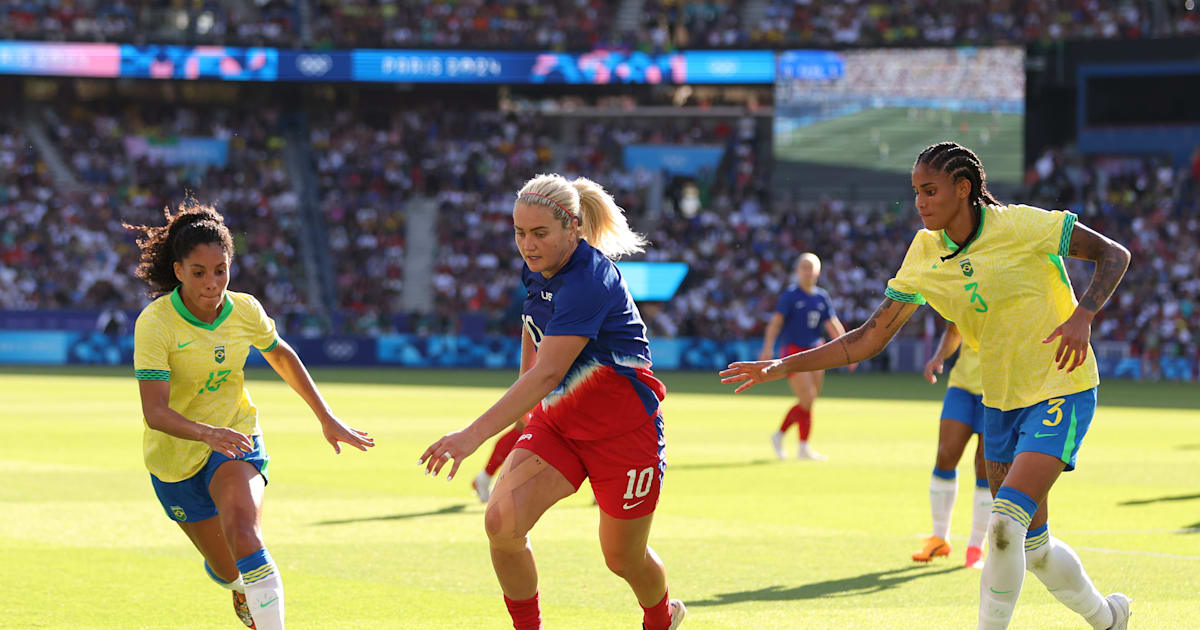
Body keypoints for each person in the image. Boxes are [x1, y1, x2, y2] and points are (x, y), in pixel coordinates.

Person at [720, 142, 1132, 630]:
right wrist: (781, 366)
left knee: (1003, 525)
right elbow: (870, 337)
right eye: (916, 191)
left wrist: (1083, 315)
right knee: (1031, 548)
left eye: (930, 190)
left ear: (963, 188)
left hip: (1061, 386)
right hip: (1000, 402)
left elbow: (1113, 254)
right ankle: (1109, 618)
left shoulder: (1021, 225)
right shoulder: (924, 252)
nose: (920, 202)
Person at [420, 174, 685, 630]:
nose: (528, 245)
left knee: (623, 559)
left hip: (624, 436)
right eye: (520, 232)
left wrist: (471, 436)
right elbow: (533, 324)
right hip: (560, 427)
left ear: (573, 228)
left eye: (540, 233)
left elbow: (549, 373)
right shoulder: (538, 267)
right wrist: (526, 395)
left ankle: (662, 618)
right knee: (501, 525)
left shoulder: (590, 281)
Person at [126, 201, 374, 630]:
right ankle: (241, 589)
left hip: (235, 438)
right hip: (174, 458)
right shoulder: (156, 323)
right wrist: (206, 433)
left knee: (246, 537)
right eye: (199, 272)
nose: (212, 282)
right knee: (229, 571)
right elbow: (155, 412)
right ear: (179, 271)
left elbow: (281, 355)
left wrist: (326, 416)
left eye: (220, 270)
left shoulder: (244, 309)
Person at [912, 324, 991, 568]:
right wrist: (938, 357)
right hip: (962, 385)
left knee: (986, 466)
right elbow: (954, 329)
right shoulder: (965, 297)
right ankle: (939, 538)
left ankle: (976, 546)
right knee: (945, 455)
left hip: (999, 389)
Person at [758, 253, 849, 460]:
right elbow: (776, 323)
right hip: (794, 352)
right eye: (804, 267)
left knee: (810, 401)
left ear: (818, 271)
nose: (808, 272)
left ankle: (802, 447)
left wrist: (848, 349)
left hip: (817, 351)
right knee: (806, 398)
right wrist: (767, 347)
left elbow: (833, 324)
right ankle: (782, 436)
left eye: (811, 267)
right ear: (798, 271)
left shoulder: (821, 297)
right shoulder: (790, 296)